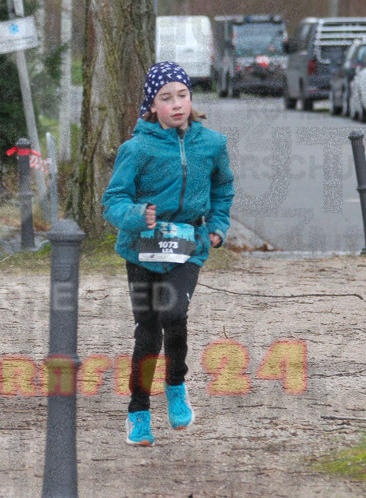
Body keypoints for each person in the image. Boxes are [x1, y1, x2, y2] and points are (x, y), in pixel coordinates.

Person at [101, 61, 234, 447]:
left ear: (191, 99)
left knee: (174, 315)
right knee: (147, 333)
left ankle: (176, 384)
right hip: (141, 250)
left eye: (182, 95)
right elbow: (113, 200)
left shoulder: (212, 144)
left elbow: (223, 190)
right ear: (151, 105)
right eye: (166, 98)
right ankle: (138, 411)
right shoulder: (136, 148)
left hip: (187, 245)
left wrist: (217, 228)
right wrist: (137, 215)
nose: (176, 104)